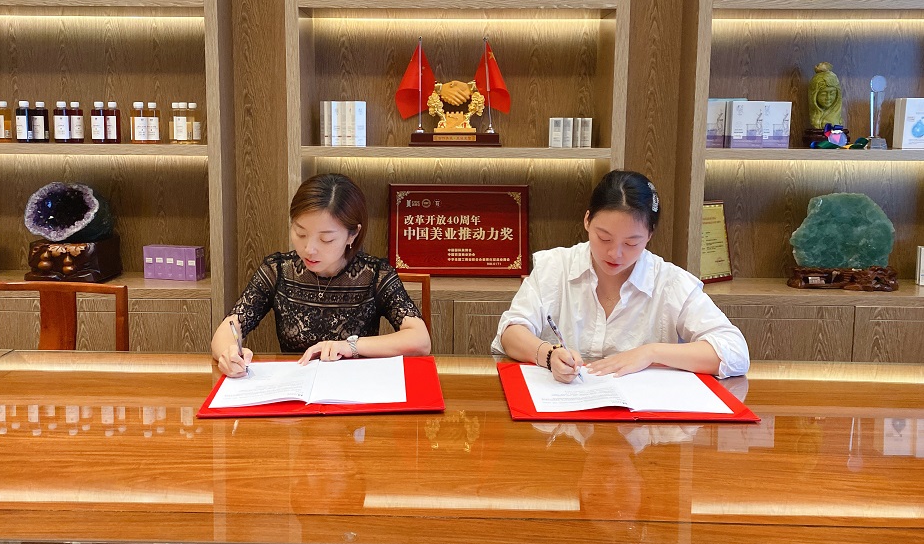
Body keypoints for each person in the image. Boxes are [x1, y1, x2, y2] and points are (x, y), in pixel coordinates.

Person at [492, 170, 749, 383]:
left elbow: (735, 352)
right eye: (604, 238)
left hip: (643, 420)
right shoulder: (554, 267)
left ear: (650, 235)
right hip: (564, 413)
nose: (615, 253)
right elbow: (511, 331)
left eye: (631, 243)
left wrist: (650, 353)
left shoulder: (670, 283)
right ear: (587, 220)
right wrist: (547, 354)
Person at [211, 173, 431, 376]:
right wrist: (228, 354)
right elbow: (229, 328)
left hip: (355, 387)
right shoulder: (278, 270)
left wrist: (349, 346)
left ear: (352, 235)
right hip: (295, 386)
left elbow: (420, 340)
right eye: (300, 233)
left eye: (326, 239)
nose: (309, 249)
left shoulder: (374, 275)